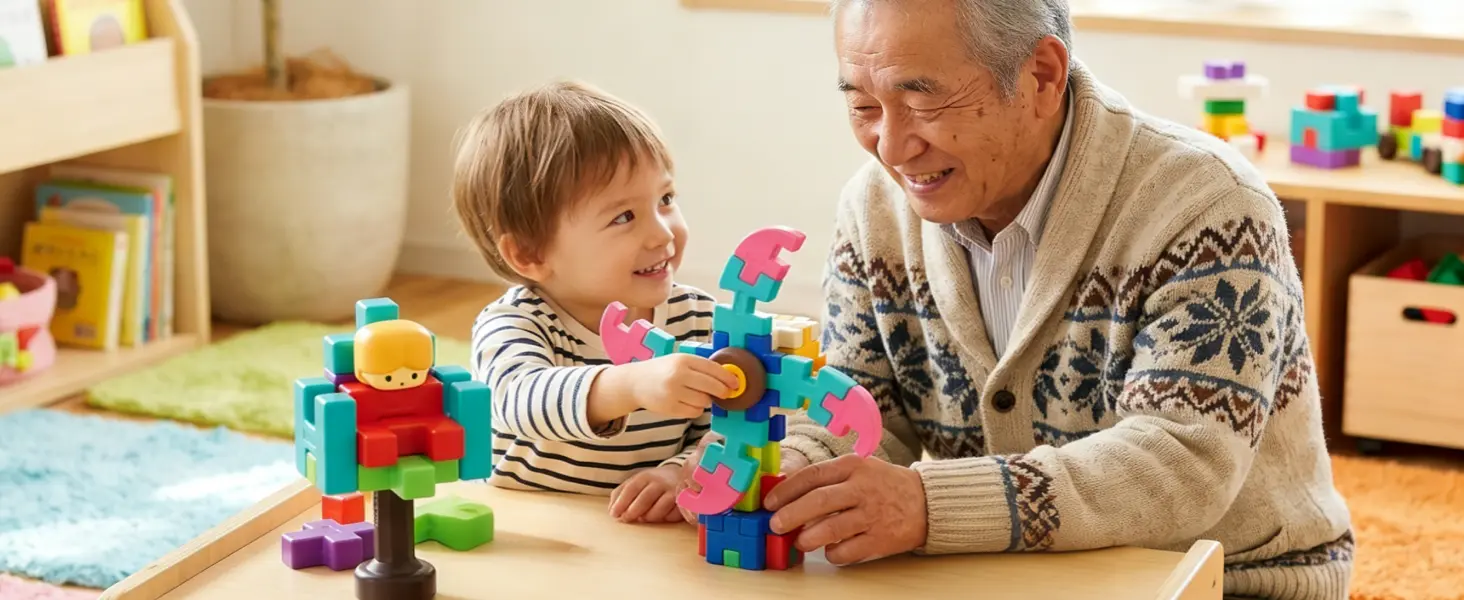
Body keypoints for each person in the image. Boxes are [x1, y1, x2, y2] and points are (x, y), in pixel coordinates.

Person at [682, 0, 1354, 597]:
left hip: (1235, 578)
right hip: (1009, 573)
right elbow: (859, 407)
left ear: (1040, 75)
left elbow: (1179, 463)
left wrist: (927, 505)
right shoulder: (873, 208)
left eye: (923, 101)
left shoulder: (1207, 206)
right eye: (863, 106)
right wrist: (763, 473)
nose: (891, 146)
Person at [451, 81, 739, 523]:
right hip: (522, 528)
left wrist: (678, 471)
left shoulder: (698, 320)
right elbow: (513, 401)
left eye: (665, 199)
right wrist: (628, 385)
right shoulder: (514, 322)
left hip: (630, 535)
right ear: (530, 254)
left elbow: (722, 427)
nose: (662, 232)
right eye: (624, 216)